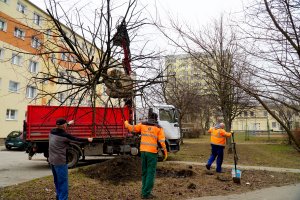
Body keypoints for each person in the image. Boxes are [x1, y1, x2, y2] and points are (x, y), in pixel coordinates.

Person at [124, 112, 167, 199]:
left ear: (149, 118)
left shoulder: (142, 125)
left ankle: (144, 191)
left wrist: (126, 123)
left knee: (144, 172)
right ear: (156, 119)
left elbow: (132, 128)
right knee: (150, 173)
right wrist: (165, 153)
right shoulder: (158, 128)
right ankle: (146, 193)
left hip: (143, 152)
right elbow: (162, 142)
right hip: (152, 153)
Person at [48, 118, 93, 200]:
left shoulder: (52, 132)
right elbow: (76, 139)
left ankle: (59, 197)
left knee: (57, 181)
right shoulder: (65, 136)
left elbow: (60, 128)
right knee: (63, 183)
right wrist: (87, 139)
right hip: (60, 162)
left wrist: (68, 124)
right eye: (66, 124)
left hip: (52, 161)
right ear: (64, 125)